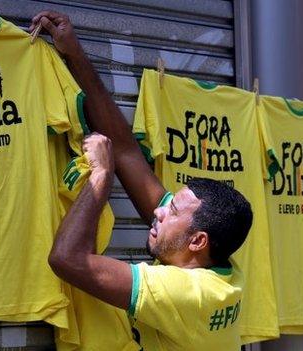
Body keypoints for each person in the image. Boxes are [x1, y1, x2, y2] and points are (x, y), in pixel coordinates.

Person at [30, 11, 253, 350]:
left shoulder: (188, 293)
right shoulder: (219, 266)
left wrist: (101, 178)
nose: (159, 212)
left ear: (197, 241)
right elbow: (126, 150)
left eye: (172, 211)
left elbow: (67, 260)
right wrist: (75, 54)